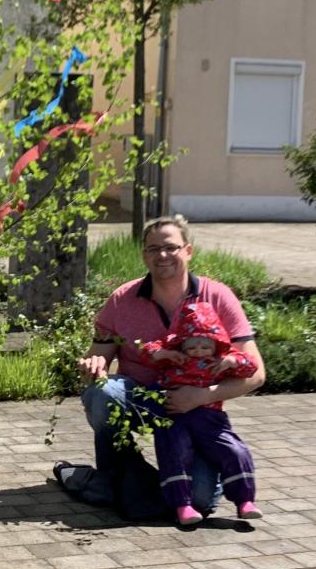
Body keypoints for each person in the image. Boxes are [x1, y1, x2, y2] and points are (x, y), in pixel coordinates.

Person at [53, 214, 265, 520]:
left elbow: (257, 373)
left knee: (201, 503)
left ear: (188, 251)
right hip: (143, 399)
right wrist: (94, 364)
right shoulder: (122, 300)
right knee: (102, 393)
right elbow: (98, 356)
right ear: (144, 255)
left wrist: (202, 397)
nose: (162, 255)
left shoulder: (218, 297)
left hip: (194, 409)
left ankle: (117, 485)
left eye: (171, 247)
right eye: (153, 249)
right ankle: (122, 472)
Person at [140, 301, 262, 525]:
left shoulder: (220, 360)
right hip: (175, 416)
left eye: (205, 346)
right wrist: (165, 353)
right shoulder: (174, 357)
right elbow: (147, 351)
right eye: (192, 346)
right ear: (182, 344)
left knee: (234, 450)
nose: (198, 352)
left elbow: (251, 366)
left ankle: (245, 501)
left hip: (210, 418)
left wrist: (231, 361)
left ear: (215, 345)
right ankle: (182, 505)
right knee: (174, 453)